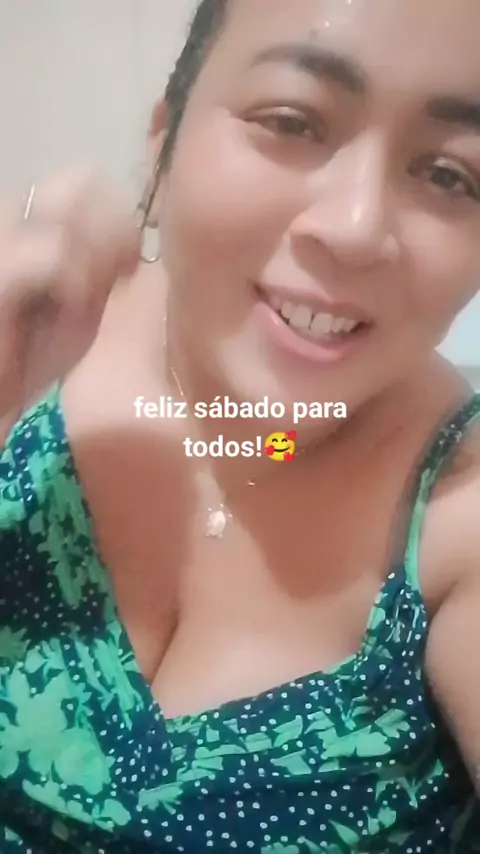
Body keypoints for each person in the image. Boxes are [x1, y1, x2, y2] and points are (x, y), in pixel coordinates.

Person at [2, 0, 480, 850]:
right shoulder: (27, 339)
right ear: (163, 142)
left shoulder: (461, 510)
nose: (356, 230)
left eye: (450, 175)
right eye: (291, 121)